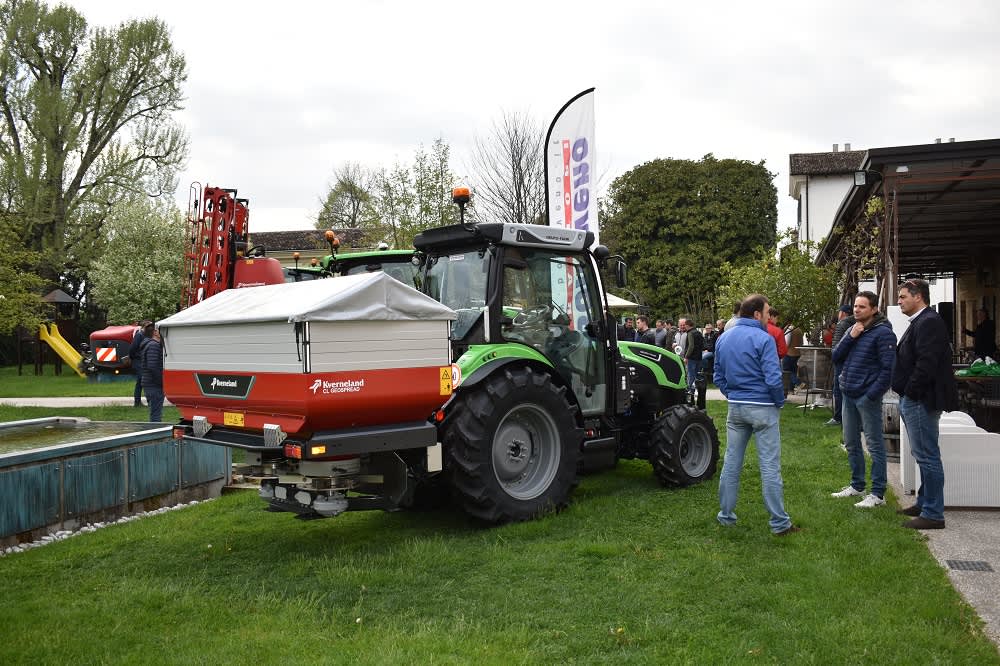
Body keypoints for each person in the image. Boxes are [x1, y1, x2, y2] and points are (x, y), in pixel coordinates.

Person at [714, 294, 797, 536]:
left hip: (736, 407)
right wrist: (778, 401)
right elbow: (773, 377)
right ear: (757, 314)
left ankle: (726, 516)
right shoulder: (764, 338)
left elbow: (717, 376)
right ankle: (780, 523)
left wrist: (732, 394)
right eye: (768, 312)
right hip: (762, 408)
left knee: (731, 462)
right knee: (770, 466)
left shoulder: (723, 337)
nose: (770, 316)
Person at [892, 278, 959, 529]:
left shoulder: (929, 322)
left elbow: (926, 364)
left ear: (918, 296)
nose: (899, 301)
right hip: (915, 398)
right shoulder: (922, 321)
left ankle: (933, 513)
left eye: (903, 297)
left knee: (928, 456)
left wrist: (910, 392)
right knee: (921, 454)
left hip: (921, 399)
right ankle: (923, 502)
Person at [829, 292, 896, 508]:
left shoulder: (883, 333)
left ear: (874, 309)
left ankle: (878, 494)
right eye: (856, 306)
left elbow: (888, 370)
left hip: (866, 396)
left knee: (874, 444)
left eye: (862, 307)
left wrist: (871, 395)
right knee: (851, 442)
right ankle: (857, 485)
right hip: (848, 393)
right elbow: (836, 356)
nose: (856, 310)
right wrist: (851, 336)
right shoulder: (852, 329)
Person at [827, 305, 855, 426]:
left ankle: (838, 417)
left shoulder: (842, 324)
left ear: (843, 313)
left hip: (841, 361)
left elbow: (836, 345)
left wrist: (835, 356)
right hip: (851, 361)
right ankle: (847, 416)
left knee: (838, 389)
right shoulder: (856, 323)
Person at [141, 326, 164, 423]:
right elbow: (152, 366)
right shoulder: (153, 346)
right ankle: (155, 435)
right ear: (155, 332)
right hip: (153, 384)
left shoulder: (151, 345)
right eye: (161, 330)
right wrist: (161, 381)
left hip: (150, 383)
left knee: (154, 412)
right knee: (155, 415)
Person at [128, 320, 154, 407]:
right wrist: (133, 358)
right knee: (144, 381)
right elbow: (132, 349)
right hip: (138, 361)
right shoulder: (139, 335)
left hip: (142, 361)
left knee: (140, 382)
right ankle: (148, 401)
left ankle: (138, 402)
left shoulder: (146, 335)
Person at [678, 317, 703, 391]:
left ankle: (690, 390)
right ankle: (698, 389)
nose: (684, 326)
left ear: (688, 325)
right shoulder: (698, 332)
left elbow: (691, 346)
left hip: (692, 357)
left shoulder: (690, 333)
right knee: (696, 374)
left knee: (690, 374)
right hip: (699, 357)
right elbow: (702, 344)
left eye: (685, 325)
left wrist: (686, 356)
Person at [783, 323, 804, 391]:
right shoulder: (799, 330)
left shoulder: (789, 330)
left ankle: (798, 382)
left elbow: (786, 343)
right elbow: (802, 342)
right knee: (794, 371)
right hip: (797, 353)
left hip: (789, 353)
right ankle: (791, 389)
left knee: (787, 372)